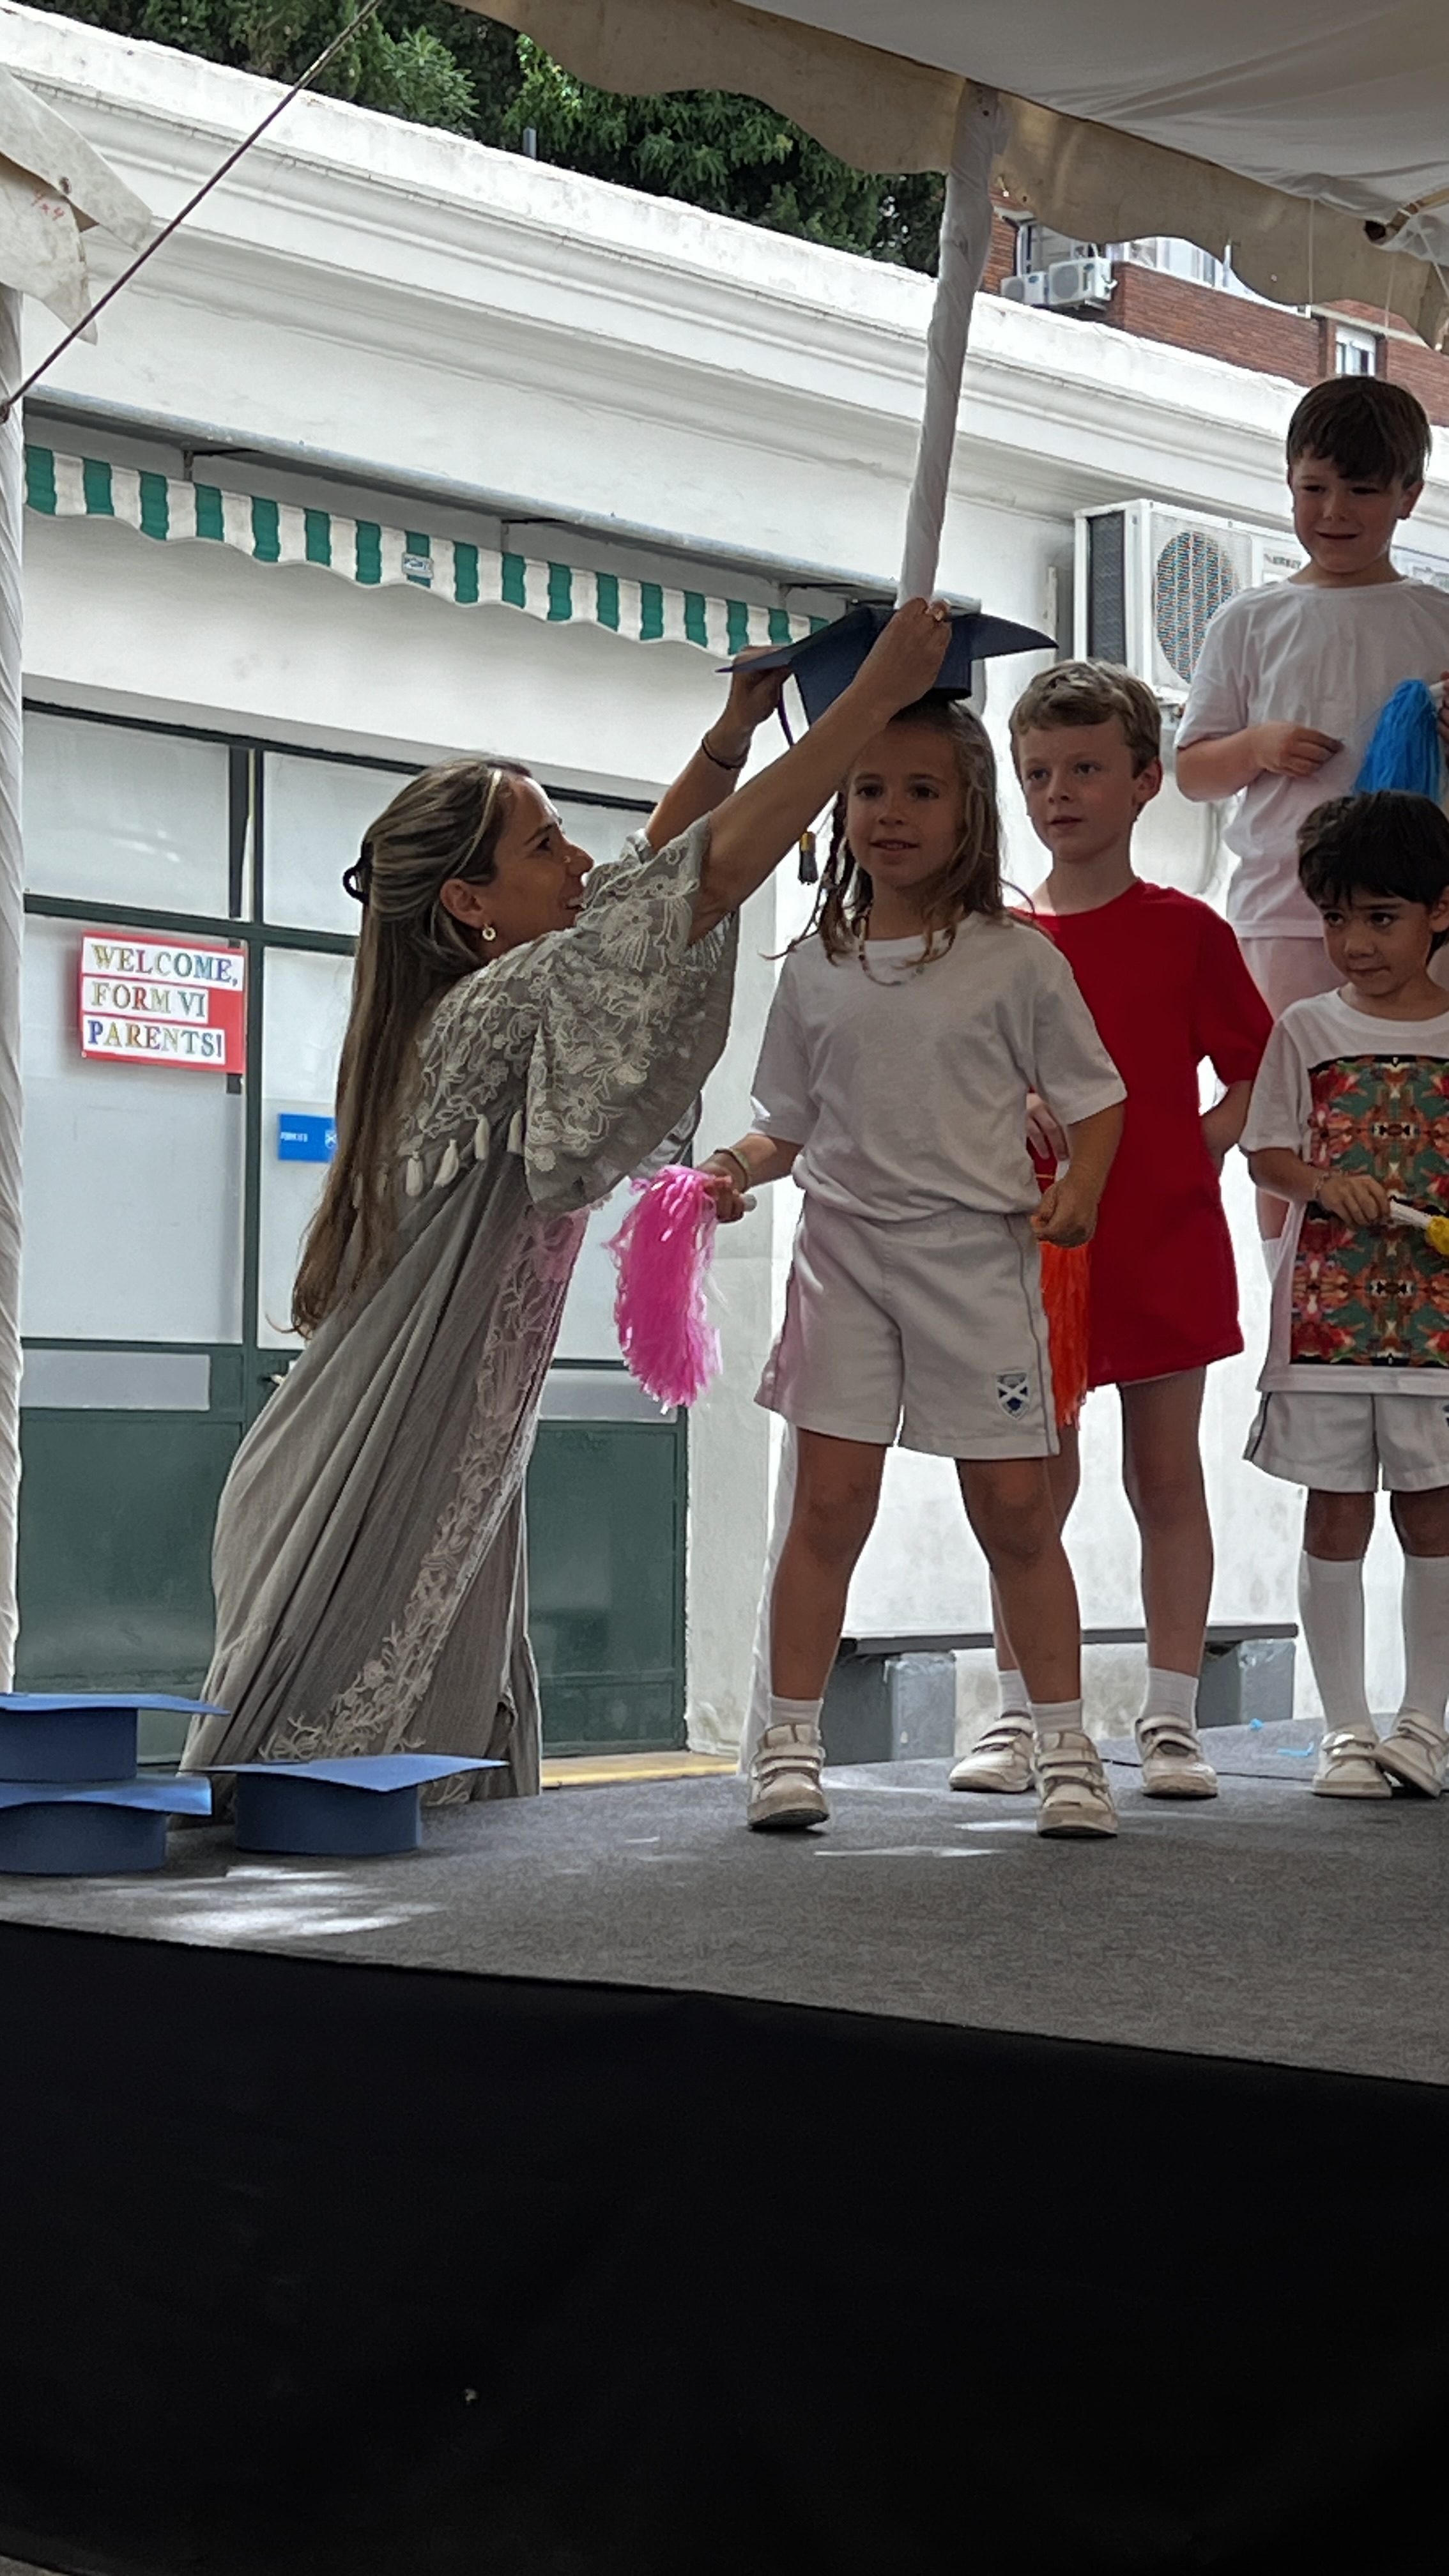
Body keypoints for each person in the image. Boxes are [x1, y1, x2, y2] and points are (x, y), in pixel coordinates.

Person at [180, 600, 956, 1795]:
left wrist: (730, 738)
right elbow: (689, 886)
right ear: (470, 904)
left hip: (431, 1455)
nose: (581, 861)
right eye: (545, 846)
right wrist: (866, 708)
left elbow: (646, 881)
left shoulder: (492, 997)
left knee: (415, 1813)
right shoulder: (489, 1014)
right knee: (307, 1803)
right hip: (364, 1471)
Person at [701, 693, 1127, 1839]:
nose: (891, 813)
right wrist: (733, 1168)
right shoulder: (814, 967)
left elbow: (1096, 1098)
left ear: (969, 809)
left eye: (922, 791)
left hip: (976, 1261)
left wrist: (1081, 1189)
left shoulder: (1016, 961)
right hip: (841, 1260)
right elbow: (786, 1125)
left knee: (1016, 1509)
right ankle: (789, 1747)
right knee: (828, 1504)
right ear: (840, 808)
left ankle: (1064, 1747)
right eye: (870, 790)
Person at [952, 661, 1273, 1802]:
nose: (1059, 793)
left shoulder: (1189, 931)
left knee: (1165, 1476)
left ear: (1146, 782)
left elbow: (1260, 1069)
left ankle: (1173, 1718)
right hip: (1029, 1247)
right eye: (1039, 772)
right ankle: (1021, 1713)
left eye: (1086, 769)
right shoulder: (991, 936)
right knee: (1029, 1489)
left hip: (1163, 1243)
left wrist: (1200, 1145)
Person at [1176, 376, 1449, 1239]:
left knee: (1417, 1101)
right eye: (1314, 487)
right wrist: (1257, 747)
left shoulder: (1437, 618)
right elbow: (1192, 771)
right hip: (1285, 911)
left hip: (1421, 911)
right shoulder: (1249, 619)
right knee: (1288, 1107)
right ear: (1288, 481)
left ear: (1409, 495)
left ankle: (1410, 1285)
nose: (1333, 512)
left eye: (1361, 490)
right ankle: (1285, 1284)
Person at [1242, 790, 1449, 1800]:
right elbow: (1266, 1154)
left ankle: (1425, 1726)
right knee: (1335, 1516)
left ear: (1440, 912)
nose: (1355, 943)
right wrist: (1325, 1185)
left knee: (1434, 1517)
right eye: (1335, 919)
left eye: (1381, 917)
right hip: (1326, 1323)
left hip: (1439, 1335)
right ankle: (1346, 1731)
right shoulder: (1305, 1028)